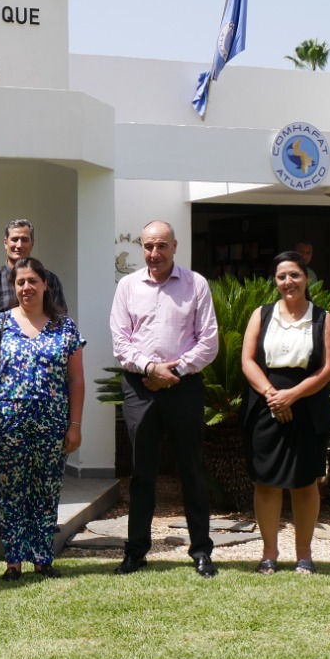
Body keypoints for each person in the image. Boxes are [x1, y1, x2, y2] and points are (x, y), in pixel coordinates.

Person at [109, 220, 220, 577]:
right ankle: (136, 551)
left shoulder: (196, 284)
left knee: (191, 470)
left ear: (175, 246)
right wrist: (150, 370)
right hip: (140, 387)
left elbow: (209, 341)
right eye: (148, 246)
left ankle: (201, 551)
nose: (154, 254)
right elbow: (120, 341)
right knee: (141, 473)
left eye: (161, 246)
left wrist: (175, 372)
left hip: (184, 386)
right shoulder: (127, 286)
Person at [0, 258, 85, 579]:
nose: (26, 287)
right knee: (9, 491)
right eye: (20, 282)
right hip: (8, 425)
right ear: (14, 286)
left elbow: (76, 380)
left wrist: (75, 425)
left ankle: (42, 557)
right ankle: (14, 561)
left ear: (45, 283)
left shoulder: (65, 326)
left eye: (32, 280)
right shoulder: (1, 324)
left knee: (46, 490)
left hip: (52, 425)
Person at [241, 250, 330, 576]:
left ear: (306, 278)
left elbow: (327, 369)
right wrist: (273, 397)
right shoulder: (262, 314)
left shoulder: (322, 318)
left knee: (304, 483)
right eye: (282, 276)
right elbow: (248, 361)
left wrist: (293, 396)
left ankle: (304, 556)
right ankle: (269, 555)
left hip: (308, 410)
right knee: (266, 483)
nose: (288, 282)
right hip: (265, 408)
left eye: (294, 275)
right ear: (276, 281)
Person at [0, 218, 67, 536]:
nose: (19, 244)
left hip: (45, 388)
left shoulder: (50, 279)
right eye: (14, 239)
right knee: (3, 459)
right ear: (5, 243)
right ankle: (3, 516)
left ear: (32, 243)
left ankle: (43, 518)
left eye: (25, 239)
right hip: (5, 387)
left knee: (44, 460)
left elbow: (60, 327)